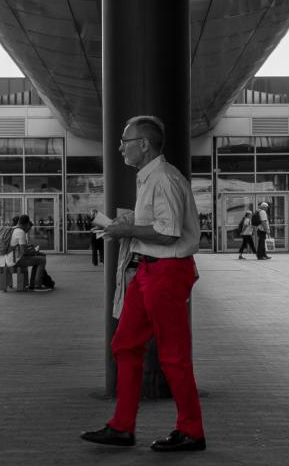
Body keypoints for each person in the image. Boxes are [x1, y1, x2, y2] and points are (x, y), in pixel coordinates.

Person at [81, 115, 206, 453]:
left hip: (166, 272)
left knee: (173, 355)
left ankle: (191, 431)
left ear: (144, 145)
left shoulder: (163, 179)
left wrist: (127, 229)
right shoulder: (152, 178)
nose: (120, 147)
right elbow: (159, 223)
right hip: (149, 271)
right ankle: (122, 426)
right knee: (125, 345)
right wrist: (129, 222)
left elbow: (168, 232)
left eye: (125, 141)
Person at [6, 215, 53, 291]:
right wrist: (35, 252)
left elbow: (19, 247)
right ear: (26, 223)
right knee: (42, 260)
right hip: (16, 260)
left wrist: (34, 253)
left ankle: (33, 285)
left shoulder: (13, 229)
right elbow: (24, 252)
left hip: (9, 259)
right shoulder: (20, 232)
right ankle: (37, 286)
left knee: (38, 259)